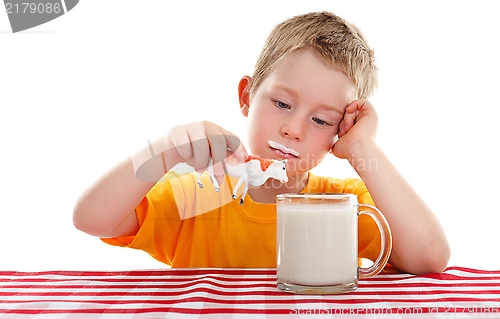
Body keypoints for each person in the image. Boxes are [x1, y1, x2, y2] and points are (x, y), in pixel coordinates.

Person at [73, 11, 450, 274]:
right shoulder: (197, 195)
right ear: (246, 97)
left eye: (321, 120)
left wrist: (364, 148)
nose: (294, 129)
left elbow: (430, 257)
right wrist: (165, 150)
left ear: (341, 132)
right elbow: (91, 219)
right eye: (282, 103)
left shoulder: (340, 207)